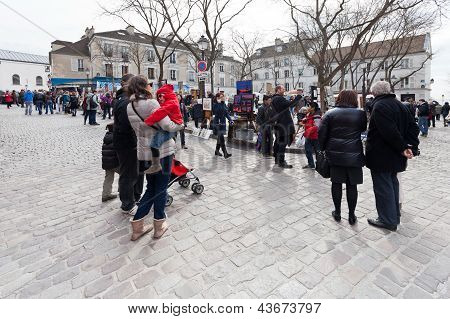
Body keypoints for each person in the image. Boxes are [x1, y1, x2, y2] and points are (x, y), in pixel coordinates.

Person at [127, 75, 180, 240]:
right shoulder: (151, 103)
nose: (151, 87)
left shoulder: (130, 106)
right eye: (149, 84)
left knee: (151, 188)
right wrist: (181, 125)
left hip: (144, 154)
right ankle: (158, 226)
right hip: (162, 151)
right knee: (161, 189)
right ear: (144, 86)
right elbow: (167, 125)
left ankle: (137, 227)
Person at [365, 81, 420, 231]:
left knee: (383, 187)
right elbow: (413, 128)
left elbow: (389, 131)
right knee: (392, 184)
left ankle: (387, 220)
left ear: (375, 93)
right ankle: (393, 215)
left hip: (382, 154)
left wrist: (404, 147)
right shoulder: (400, 105)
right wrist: (411, 147)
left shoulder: (380, 106)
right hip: (395, 154)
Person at [319, 90, 367, 225]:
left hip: (335, 154)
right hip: (354, 154)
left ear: (339, 98)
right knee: (352, 185)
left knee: (336, 183)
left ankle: (338, 212)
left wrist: (322, 149)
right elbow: (363, 129)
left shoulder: (330, 113)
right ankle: (352, 215)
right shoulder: (360, 114)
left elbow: (322, 133)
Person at [113, 74, 144, 215]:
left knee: (135, 172)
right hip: (127, 143)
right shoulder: (125, 101)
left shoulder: (125, 99)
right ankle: (127, 204)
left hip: (130, 142)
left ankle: (135, 198)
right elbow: (127, 125)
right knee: (128, 174)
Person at [143, 84, 183, 174]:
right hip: (174, 125)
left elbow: (160, 113)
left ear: (167, 94)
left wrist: (147, 121)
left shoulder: (171, 103)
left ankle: (156, 165)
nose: (159, 98)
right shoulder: (169, 102)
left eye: (161, 96)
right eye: (158, 96)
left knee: (154, 144)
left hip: (174, 125)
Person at [271, 85, 302, 168]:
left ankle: (277, 160)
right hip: (283, 124)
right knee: (282, 143)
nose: (284, 90)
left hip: (279, 123)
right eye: (283, 89)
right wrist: (298, 96)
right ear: (278, 90)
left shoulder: (275, 98)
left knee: (278, 142)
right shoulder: (278, 98)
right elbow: (291, 104)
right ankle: (281, 161)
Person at [102, 123, 120, 202]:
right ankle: (122, 191)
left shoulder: (106, 137)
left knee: (108, 178)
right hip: (115, 163)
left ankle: (106, 194)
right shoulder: (116, 138)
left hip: (106, 162)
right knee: (124, 175)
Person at [213, 92, 234, 159]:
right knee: (222, 139)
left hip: (223, 123)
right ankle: (225, 153)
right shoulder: (215, 105)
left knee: (220, 138)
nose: (224, 97)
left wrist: (230, 120)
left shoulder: (224, 104)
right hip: (217, 124)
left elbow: (226, 114)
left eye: (223, 96)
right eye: (222, 97)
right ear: (218, 98)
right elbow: (216, 112)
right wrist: (218, 102)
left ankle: (216, 151)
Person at [301, 102, 321, 169]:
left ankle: (319, 165)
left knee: (317, 152)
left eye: (309, 106)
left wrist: (308, 131)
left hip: (315, 137)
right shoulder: (308, 114)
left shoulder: (317, 116)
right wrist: (304, 121)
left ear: (313, 108)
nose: (307, 108)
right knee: (308, 151)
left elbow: (317, 126)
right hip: (308, 136)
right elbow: (308, 122)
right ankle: (311, 164)